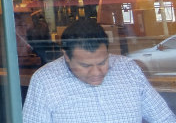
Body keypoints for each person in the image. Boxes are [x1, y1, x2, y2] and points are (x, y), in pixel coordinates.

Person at [23, 18, 176, 123]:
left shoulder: (128, 70)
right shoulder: (45, 81)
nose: (96, 72)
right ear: (67, 56)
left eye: (102, 62)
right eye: (86, 66)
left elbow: (164, 118)